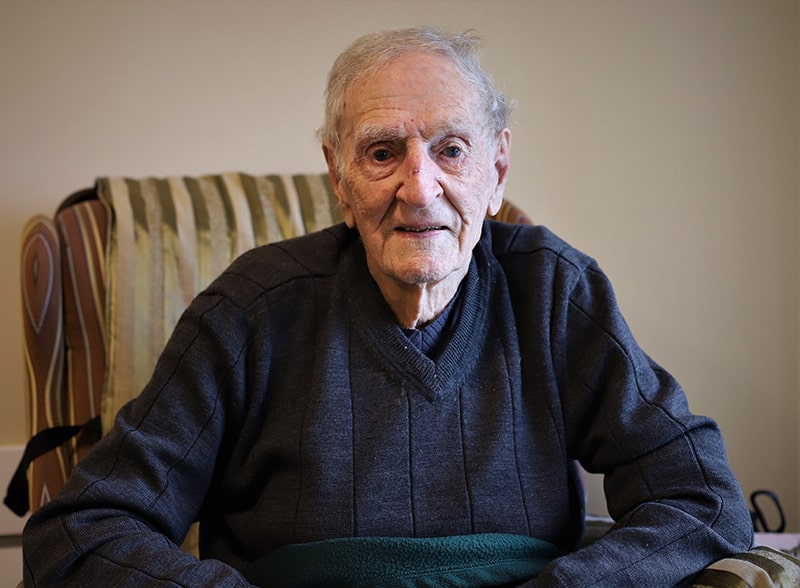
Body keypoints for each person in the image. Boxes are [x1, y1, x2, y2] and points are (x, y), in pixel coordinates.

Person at [22, 26, 752, 587]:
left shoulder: (555, 293)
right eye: (382, 153)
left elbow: (703, 498)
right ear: (339, 179)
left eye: (451, 150)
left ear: (496, 171)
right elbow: (80, 528)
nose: (419, 187)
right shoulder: (251, 309)